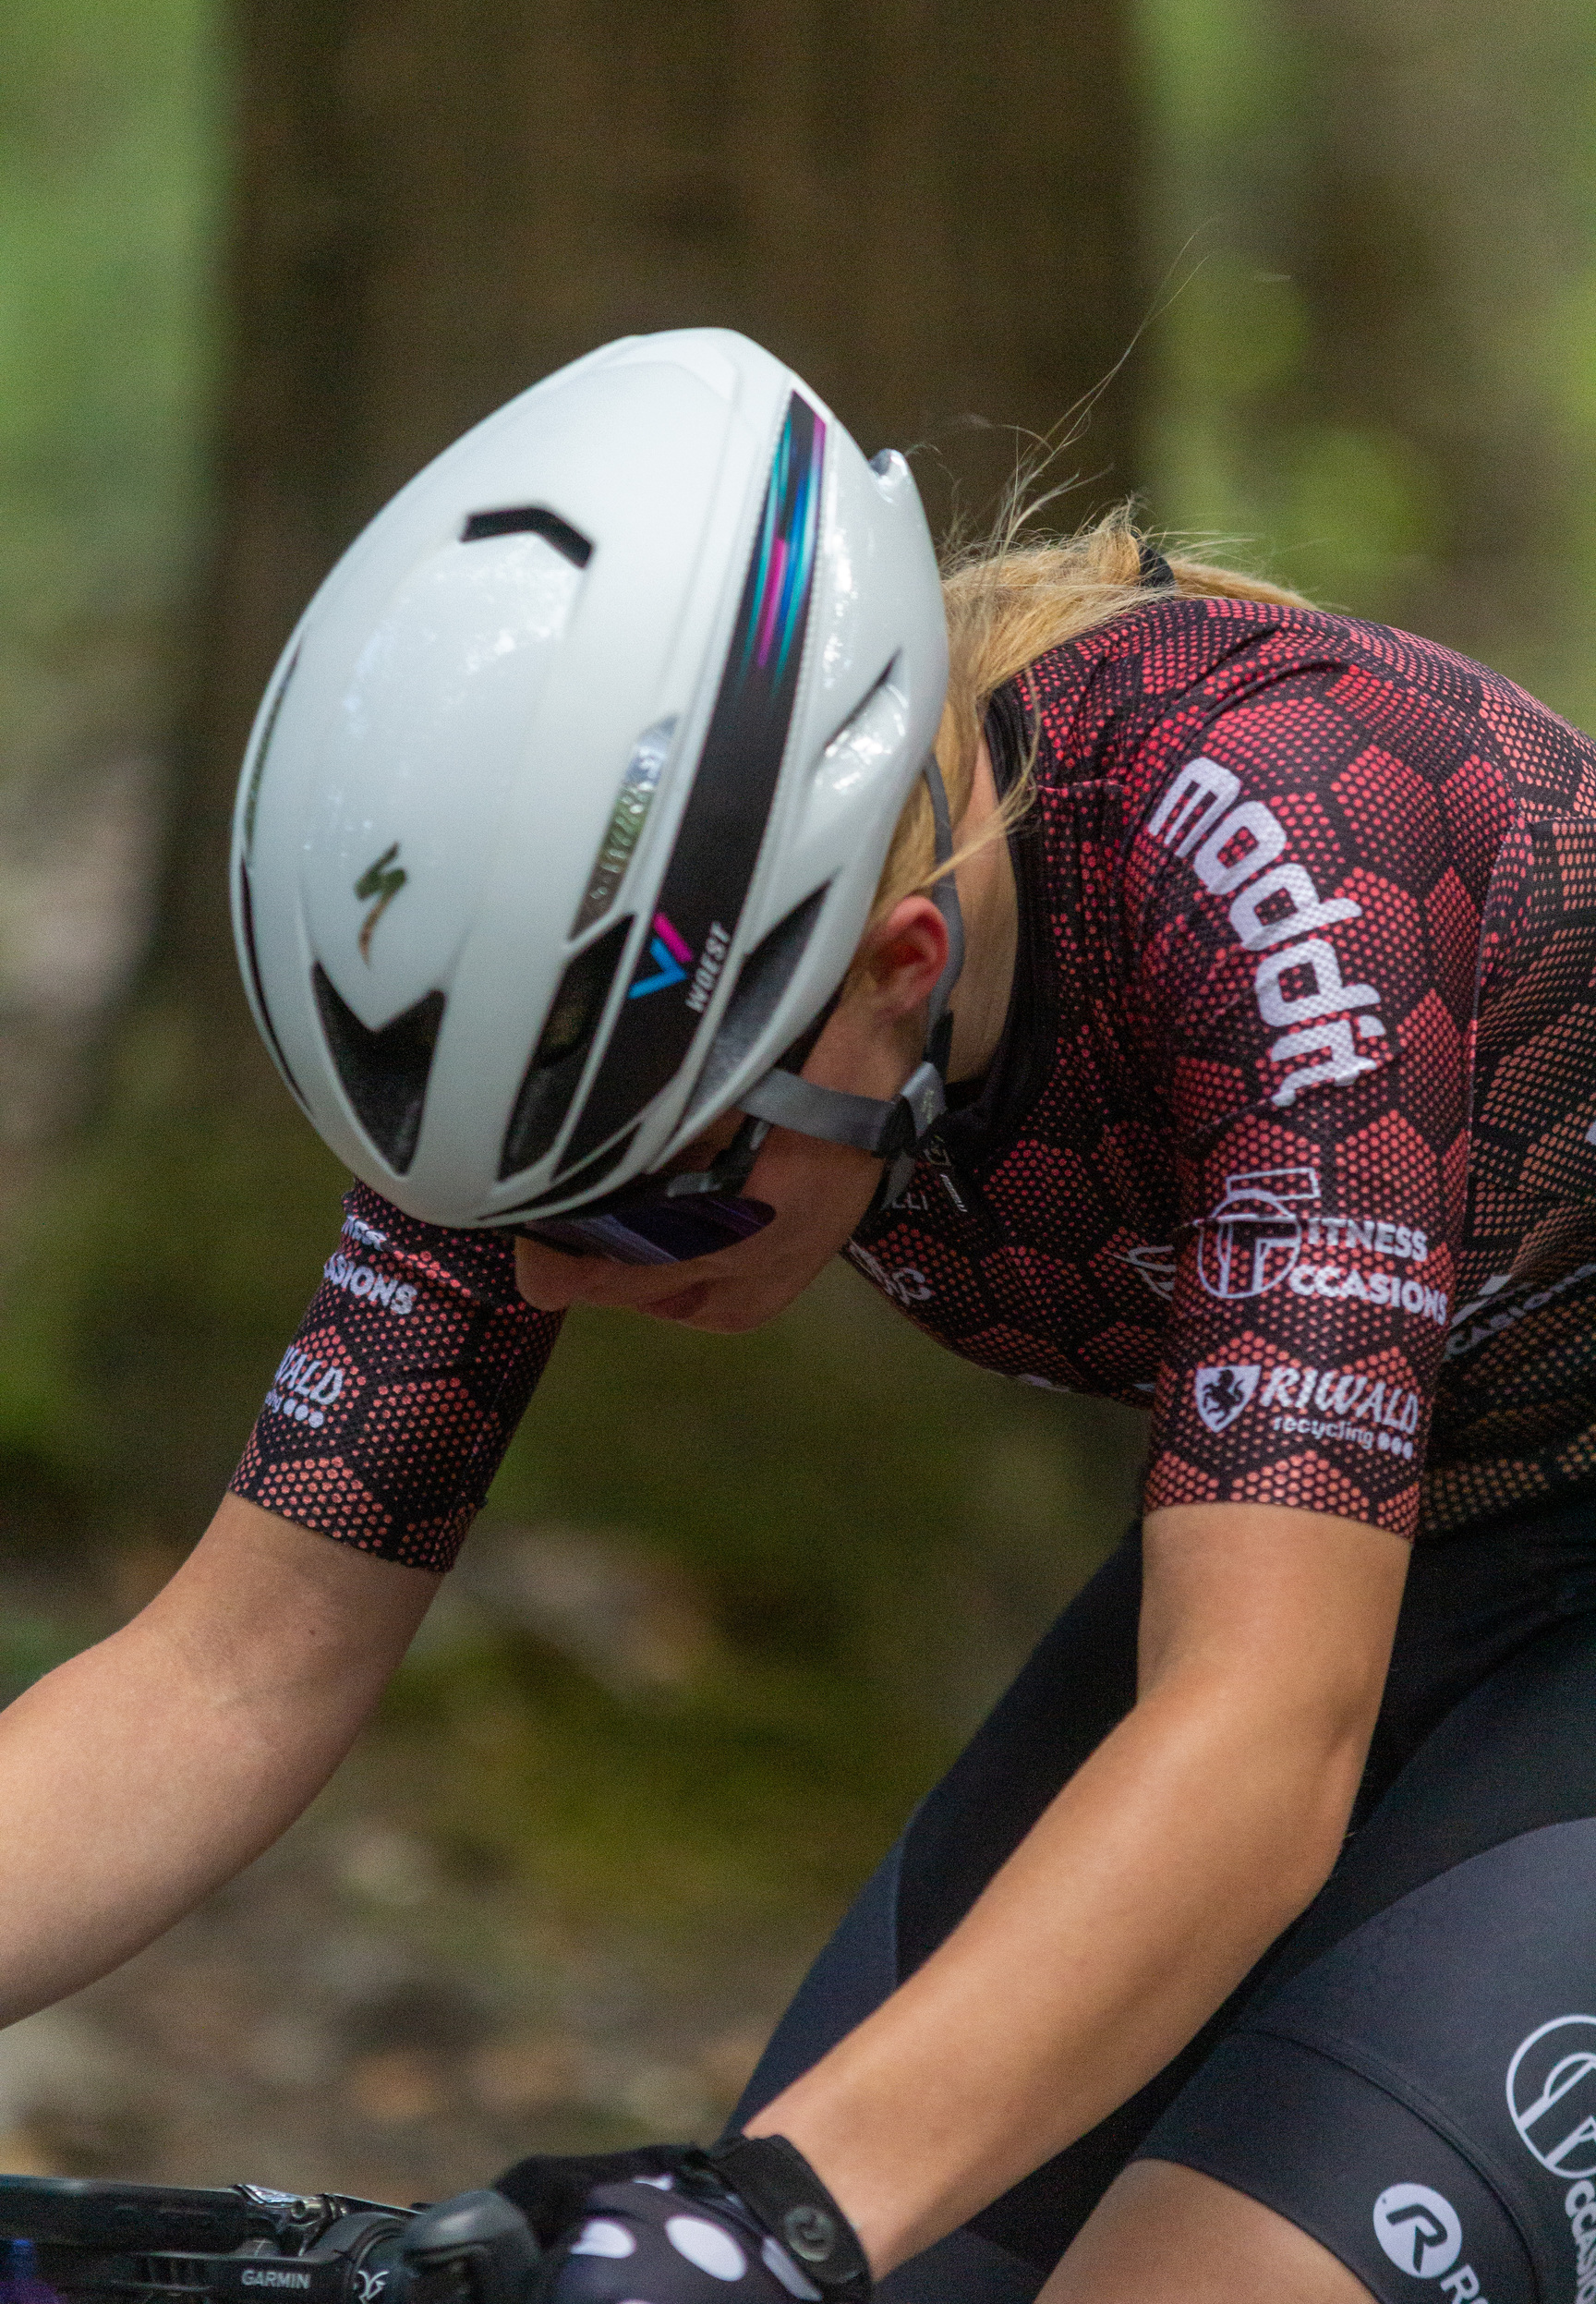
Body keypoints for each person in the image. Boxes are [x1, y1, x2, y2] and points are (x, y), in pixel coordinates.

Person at [5, 325, 1596, 2304]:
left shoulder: (1292, 847)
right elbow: (230, 1674)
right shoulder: (603, 1031)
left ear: (890, 973)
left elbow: (1263, 1731)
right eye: (511, 1213)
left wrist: (758, 2217)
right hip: (1401, 1560)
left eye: (645, 1208)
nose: (561, 1276)